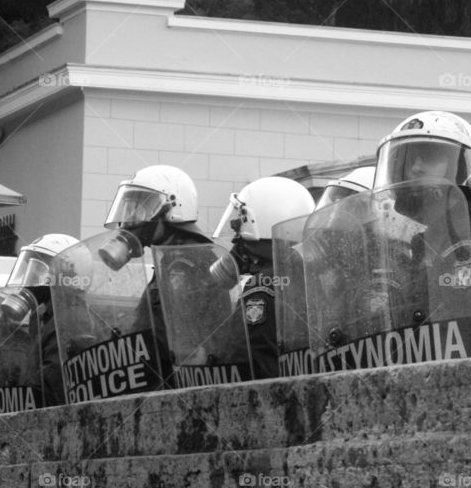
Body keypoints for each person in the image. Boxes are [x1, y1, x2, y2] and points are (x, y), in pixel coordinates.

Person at [374, 110, 471, 354]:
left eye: (430, 157)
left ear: (462, 169)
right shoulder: (432, 238)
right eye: (409, 158)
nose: (416, 167)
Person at [101, 164, 212, 385]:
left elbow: (176, 340)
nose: (131, 221)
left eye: (140, 209)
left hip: (175, 390)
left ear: (171, 208)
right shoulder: (169, 259)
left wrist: (129, 349)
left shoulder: (190, 261)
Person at [213, 176, 315, 379]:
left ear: (258, 221)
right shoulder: (307, 274)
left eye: (240, 222)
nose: (237, 234)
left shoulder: (261, 287)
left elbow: (244, 358)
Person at [0, 234, 79, 407]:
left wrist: (21, 399)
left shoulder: (68, 316)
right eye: (31, 271)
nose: (31, 279)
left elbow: (53, 381)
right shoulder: (48, 317)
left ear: (64, 275)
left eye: (39, 271)